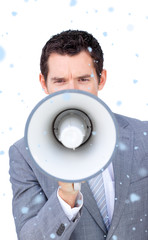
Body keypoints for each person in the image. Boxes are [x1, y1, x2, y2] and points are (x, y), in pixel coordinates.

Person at [9, 30, 148, 240]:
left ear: (101, 79)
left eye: (83, 79)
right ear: (43, 83)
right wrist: (65, 198)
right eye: (60, 81)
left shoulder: (143, 136)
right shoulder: (25, 155)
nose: (71, 92)